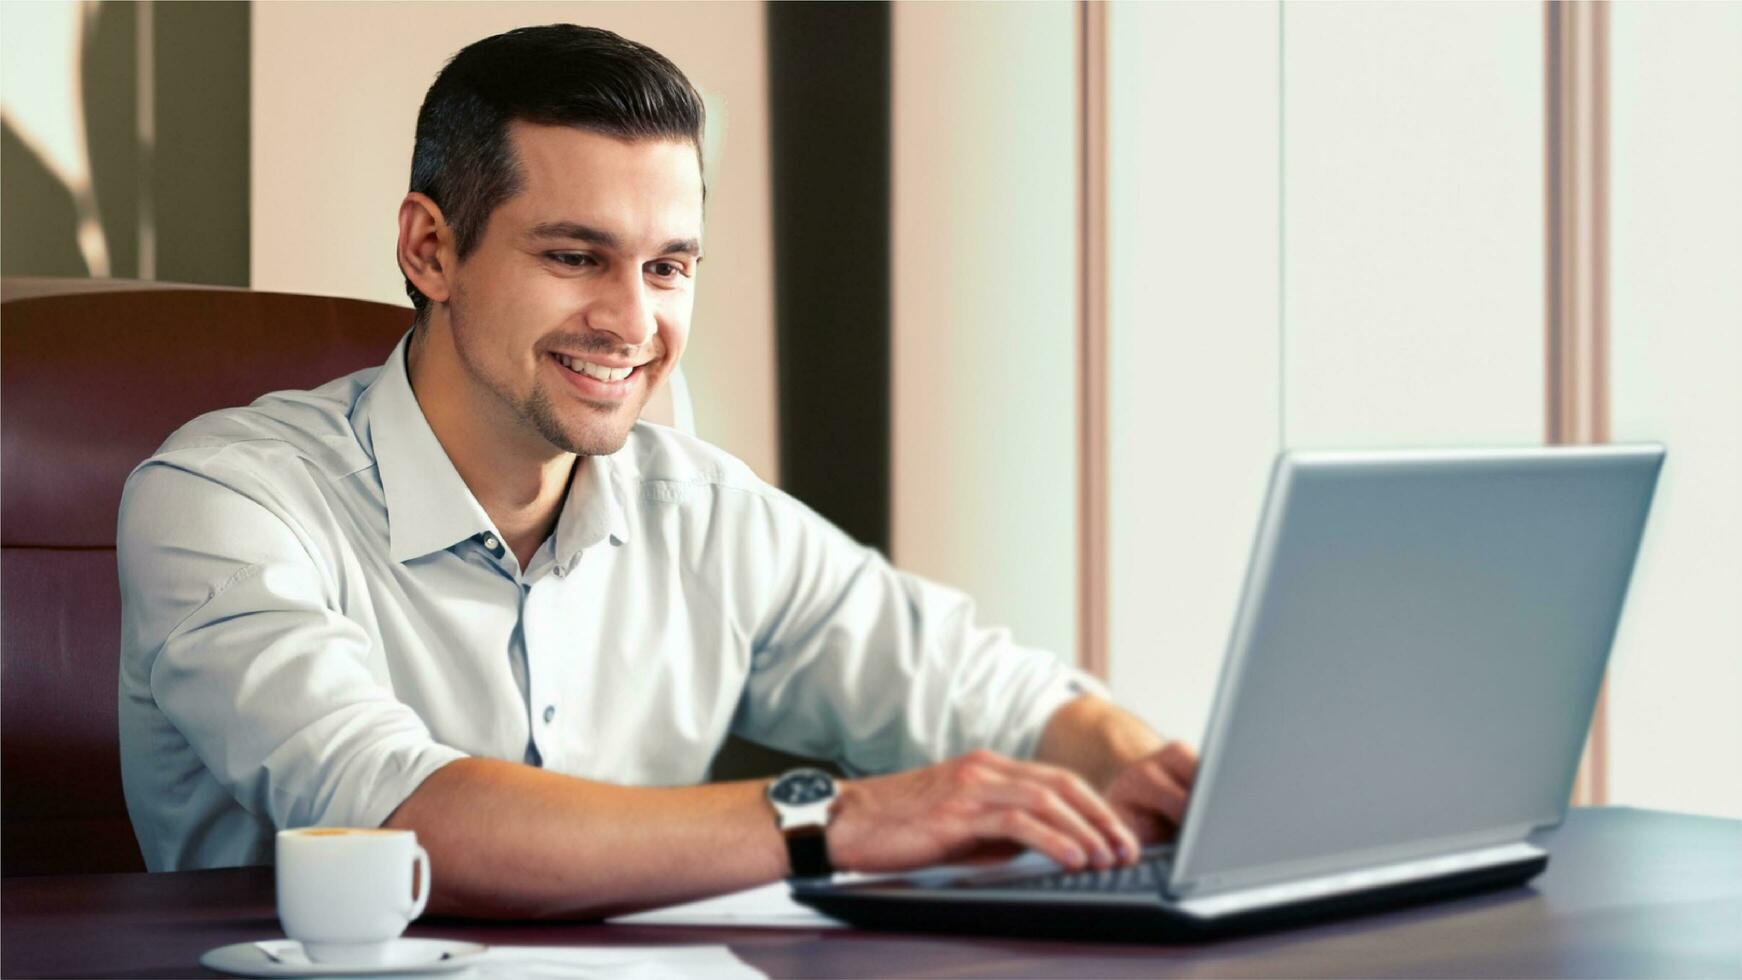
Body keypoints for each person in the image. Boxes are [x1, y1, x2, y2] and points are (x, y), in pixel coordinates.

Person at [117, 24, 1198, 918]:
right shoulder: (223, 500)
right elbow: (405, 816)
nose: (633, 323)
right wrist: (835, 819)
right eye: (575, 256)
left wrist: (1144, 769)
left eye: (667, 266)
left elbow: (982, 690)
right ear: (430, 250)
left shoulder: (703, 508)